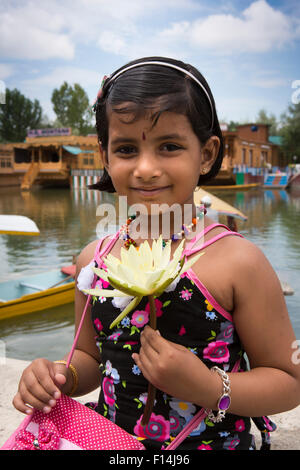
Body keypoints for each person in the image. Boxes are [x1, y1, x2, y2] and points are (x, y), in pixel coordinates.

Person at [13, 57, 300, 450]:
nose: (146, 169)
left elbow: (289, 380)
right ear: (105, 156)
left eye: (169, 146)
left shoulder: (239, 263)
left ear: (206, 153)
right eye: (127, 148)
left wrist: (206, 385)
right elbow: (90, 357)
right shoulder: (92, 261)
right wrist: (57, 376)